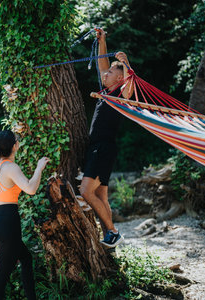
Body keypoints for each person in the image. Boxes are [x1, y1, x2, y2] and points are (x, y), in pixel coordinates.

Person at [79, 28, 133, 248]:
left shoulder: (121, 94)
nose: (105, 73)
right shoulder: (107, 90)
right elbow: (102, 63)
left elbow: (131, 85)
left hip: (102, 148)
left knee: (85, 191)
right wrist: (102, 41)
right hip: (100, 148)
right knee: (101, 196)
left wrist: (126, 62)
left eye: (111, 72)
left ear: (119, 78)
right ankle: (108, 235)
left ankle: (112, 231)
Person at [0, 130, 50, 300]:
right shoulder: (10, 167)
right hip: (8, 224)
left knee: (26, 258)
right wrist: (38, 168)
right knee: (1, 279)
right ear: (15, 146)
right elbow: (31, 189)